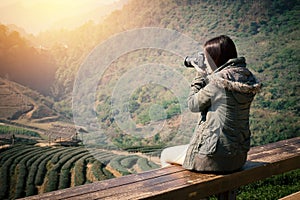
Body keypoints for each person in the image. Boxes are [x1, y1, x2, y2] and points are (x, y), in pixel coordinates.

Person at [160, 35, 261, 173]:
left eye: (207, 59)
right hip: (238, 157)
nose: (206, 63)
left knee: (165, 155)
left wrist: (199, 75)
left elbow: (193, 104)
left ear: (215, 58)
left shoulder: (218, 83)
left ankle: (186, 192)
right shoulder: (246, 78)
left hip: (212, 158)